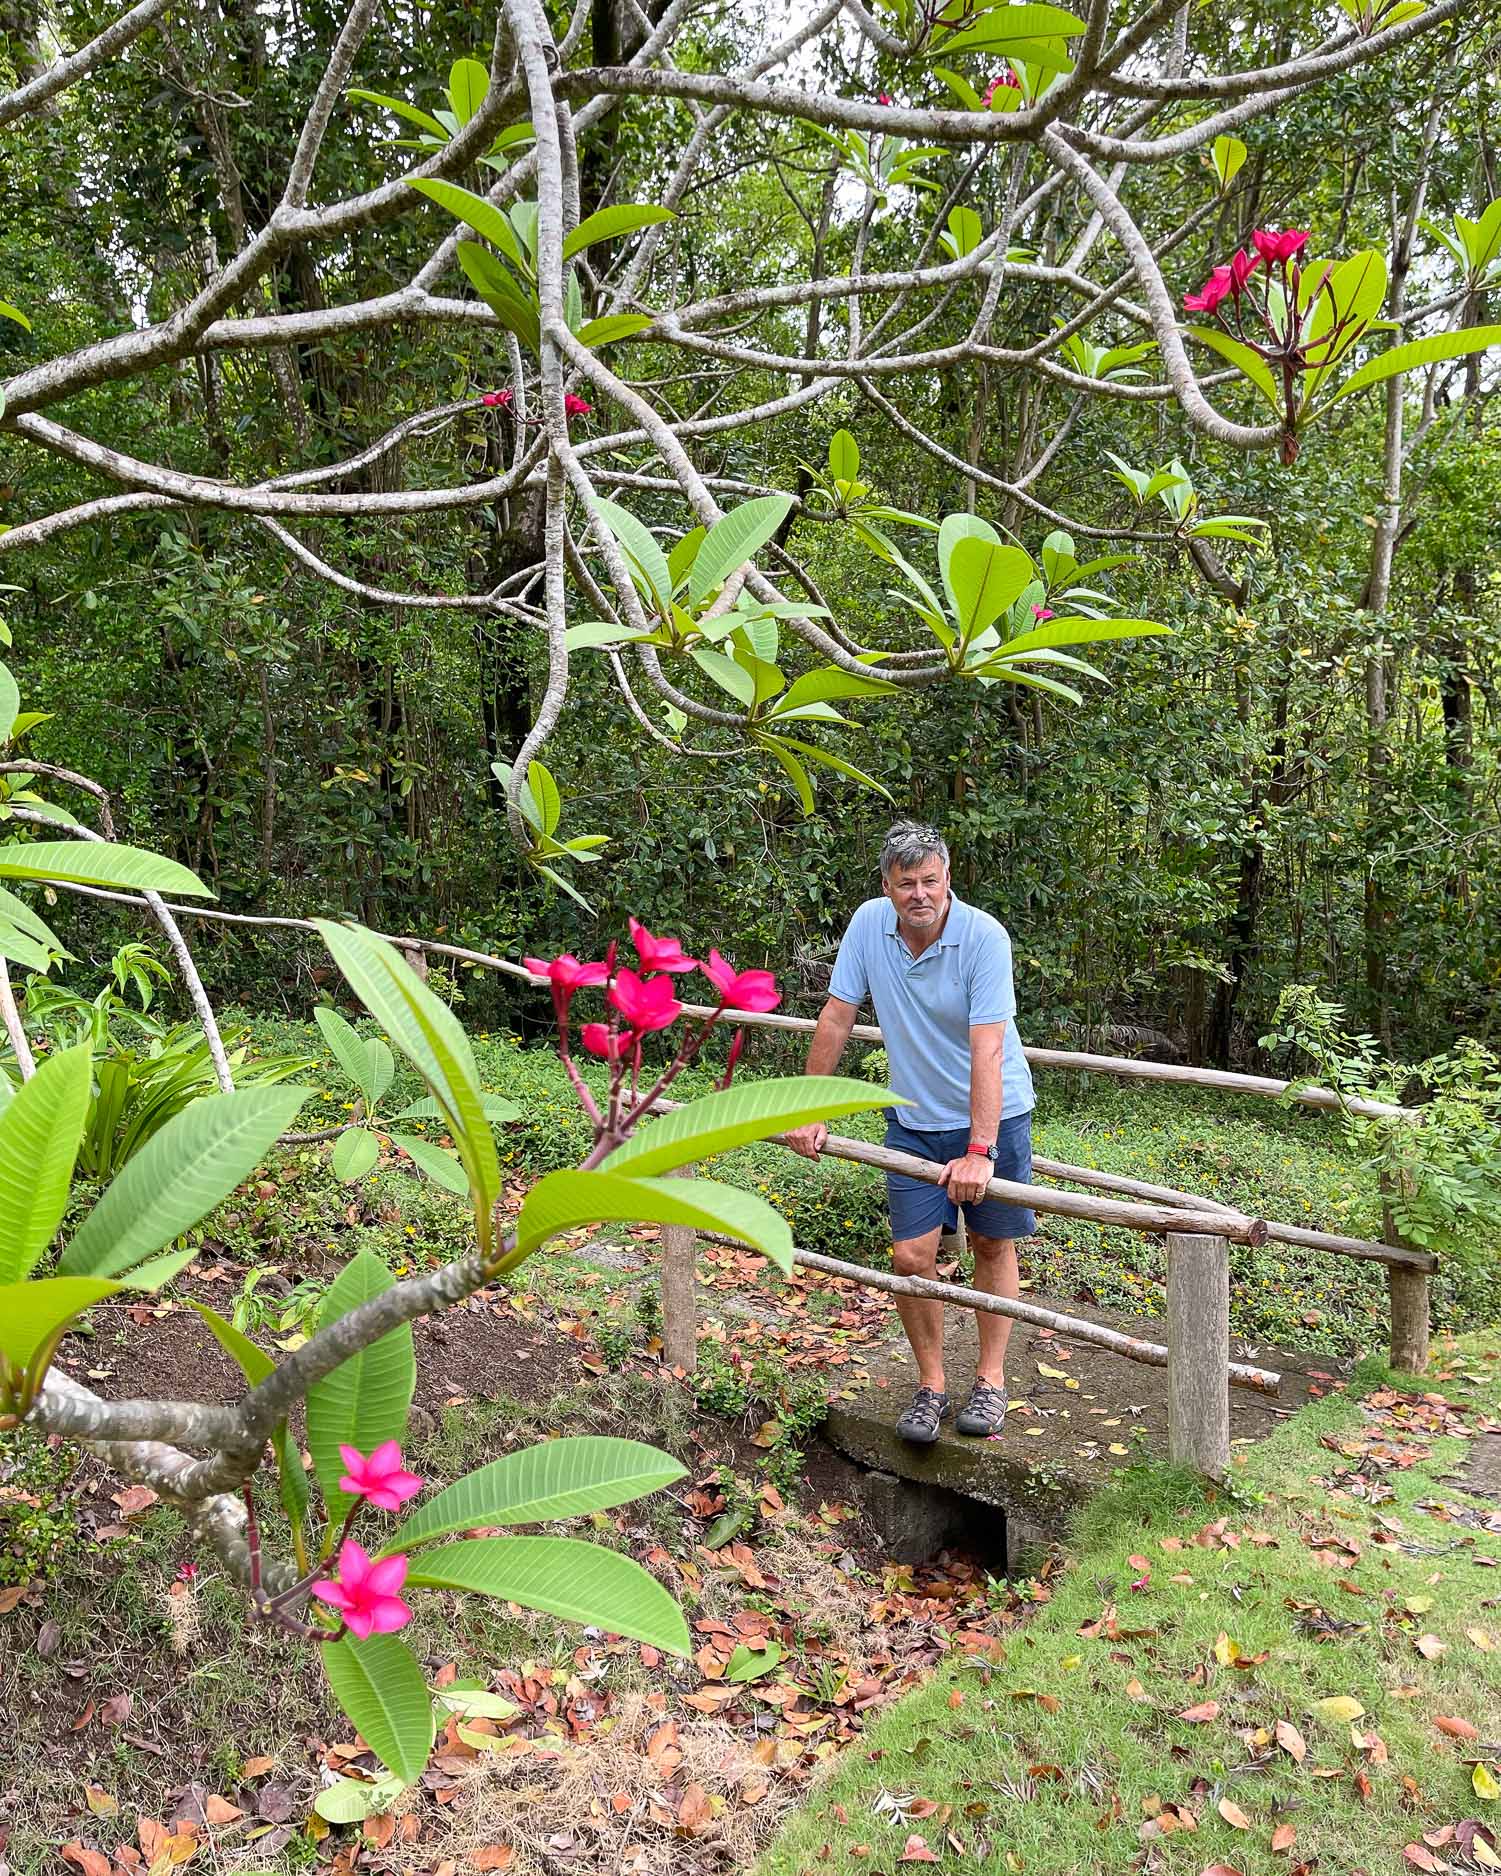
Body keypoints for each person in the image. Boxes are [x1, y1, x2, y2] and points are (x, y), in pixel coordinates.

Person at [786, 821, 1035, 1444]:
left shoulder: (984, 938)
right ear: (887, 886)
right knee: (911, 1257)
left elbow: (988, 1049)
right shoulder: (869, 925)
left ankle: (991, 1380)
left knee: (989, 1246)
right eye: (906, 884)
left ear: (947, 879)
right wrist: (808, 1108)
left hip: (995, 1118)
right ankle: (931, 1385)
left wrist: (980, 1150)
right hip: (912, 1118)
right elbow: (838, 1016)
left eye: (930, 880)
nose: (919, 894)